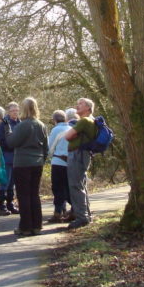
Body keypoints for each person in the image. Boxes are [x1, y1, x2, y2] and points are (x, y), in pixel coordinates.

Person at [7, 97, 48, 236]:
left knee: (23, 195)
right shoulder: (41, 125)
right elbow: (46, 147)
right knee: (34, 194)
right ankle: (37, 225)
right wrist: (41, 159)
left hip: (22, 163)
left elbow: (12, 142)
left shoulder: (22, 125)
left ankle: (25, 227)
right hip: (37, 163)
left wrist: (8, 133)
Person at [61, 97, 97, 229]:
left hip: (78, 154)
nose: (77, 106)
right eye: (77, 103)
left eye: (80, 104)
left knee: (75, 185)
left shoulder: (85, 121)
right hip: (83, 154)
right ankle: (85, 215)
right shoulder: (91, 121)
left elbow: (67, 136)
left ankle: (82, 217)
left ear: (88, 107)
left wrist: (73, 133)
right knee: (81, 185)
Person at [0, 101, 21, 216]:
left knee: (13, 183)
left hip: (17, 157)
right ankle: (1, 206)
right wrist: (11, 145)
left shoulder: (20, 123)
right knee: (5, 181)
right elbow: (0, 140)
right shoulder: (3, 125)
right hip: (7, 156)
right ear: (8, 112)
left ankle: (10, 204)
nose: (15, 112)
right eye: (12, 111)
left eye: (16, 110)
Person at [46, 110, 72, 223]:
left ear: (54, 120)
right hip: (70, 162)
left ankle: (57, 213)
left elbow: (50, 147)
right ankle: (74, 209)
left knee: (57, 188)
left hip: (58, 161)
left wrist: (48, 156)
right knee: (68, 187)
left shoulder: (56, 129)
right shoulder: (70, 128)